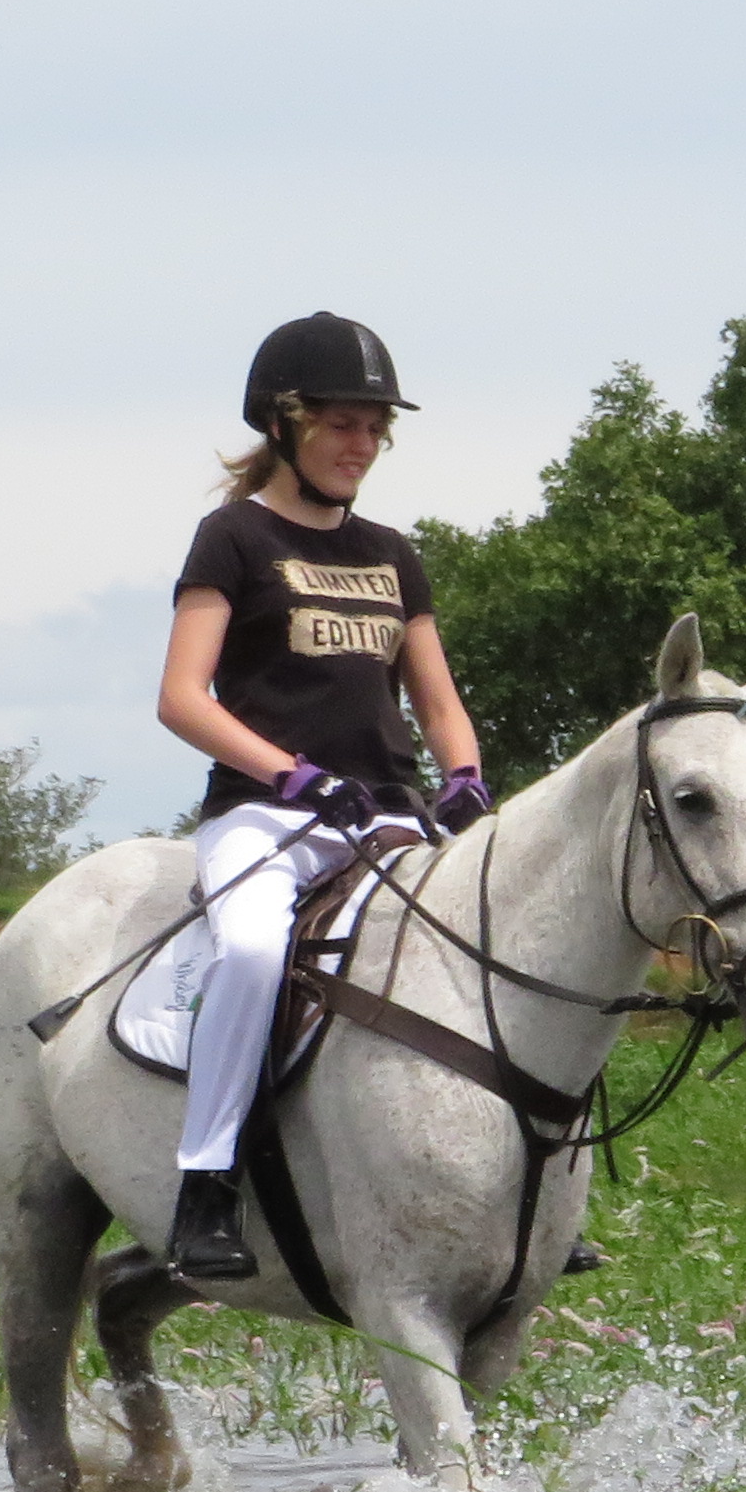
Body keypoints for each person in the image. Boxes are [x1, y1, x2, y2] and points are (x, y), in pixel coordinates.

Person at [151, 312, 493, 1283]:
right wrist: (290, 773)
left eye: (376, 428)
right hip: (267, 817)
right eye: (344, 424)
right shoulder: (233, 537)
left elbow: (438, 703)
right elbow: (181, 696)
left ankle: (528, 1179)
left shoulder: (393, 553)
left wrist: (463, 777)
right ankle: (205, 1183)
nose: (363, 446)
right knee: (256, 949)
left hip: (385, 818)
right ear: (286, 423)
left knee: (499, 941)